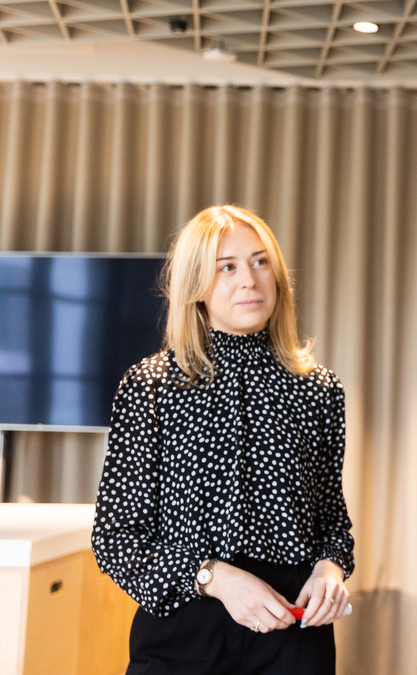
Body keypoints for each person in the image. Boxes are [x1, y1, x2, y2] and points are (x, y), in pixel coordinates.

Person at [92, 205, 353, 675]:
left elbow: (332, 519)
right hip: (183, 628)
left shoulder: (319, 389)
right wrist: (214, 578)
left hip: (292, 636)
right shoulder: (150, 386)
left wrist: (330, 569)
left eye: (260, 261)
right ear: (196, 284)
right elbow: (115, 539)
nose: (249, 280)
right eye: (226, 267)